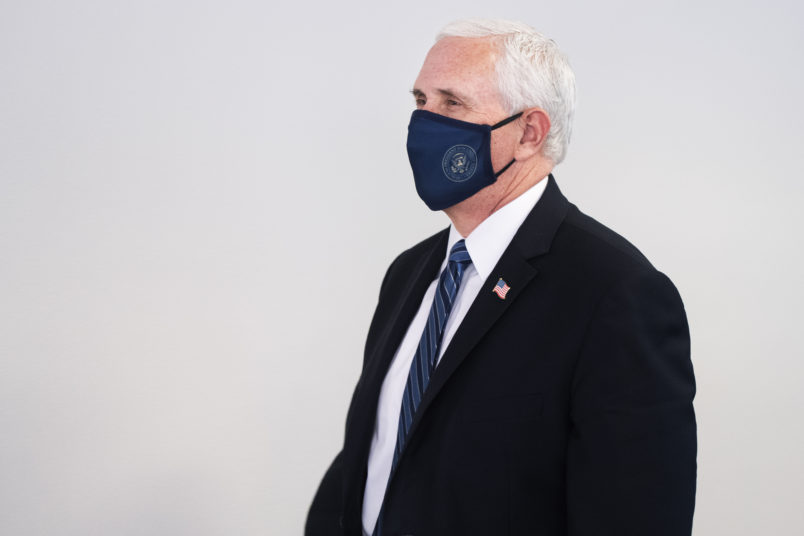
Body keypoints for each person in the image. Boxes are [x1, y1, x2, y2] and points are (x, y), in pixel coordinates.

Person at [306, 18, 697, 536]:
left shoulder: (616, 294)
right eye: (420, 99)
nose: (424, 122)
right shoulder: (410, 273)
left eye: (452, 103)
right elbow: (376, 454)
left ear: (529, 133)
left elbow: (636, 516)